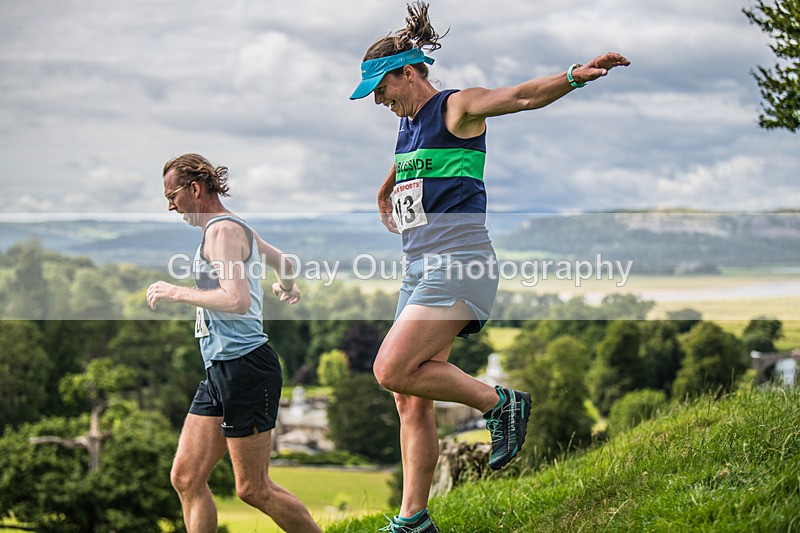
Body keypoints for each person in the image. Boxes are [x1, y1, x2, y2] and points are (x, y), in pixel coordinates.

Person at [350, 3, 630, 532]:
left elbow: (521, 96)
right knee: (409, 397)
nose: (379, 101)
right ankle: (414, 520)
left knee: (389, 369)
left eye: (382, 89)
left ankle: (500, 404)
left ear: (409, 72)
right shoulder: (409, 127)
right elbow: (410, 164)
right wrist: (385, 189)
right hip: (419, 268)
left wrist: (573, 76)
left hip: (459, 263)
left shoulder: (458, 106)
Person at [146, 153, 321, 533]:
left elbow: (236, 300)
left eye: (171, 195)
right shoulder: (232, 227)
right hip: (220, 370)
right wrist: (285, 287)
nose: (170, 205)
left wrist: (176, 292)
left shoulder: (223, 232)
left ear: (194, 188)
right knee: (186, 477)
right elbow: (285, 263)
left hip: (245, 368)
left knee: (253, 488)